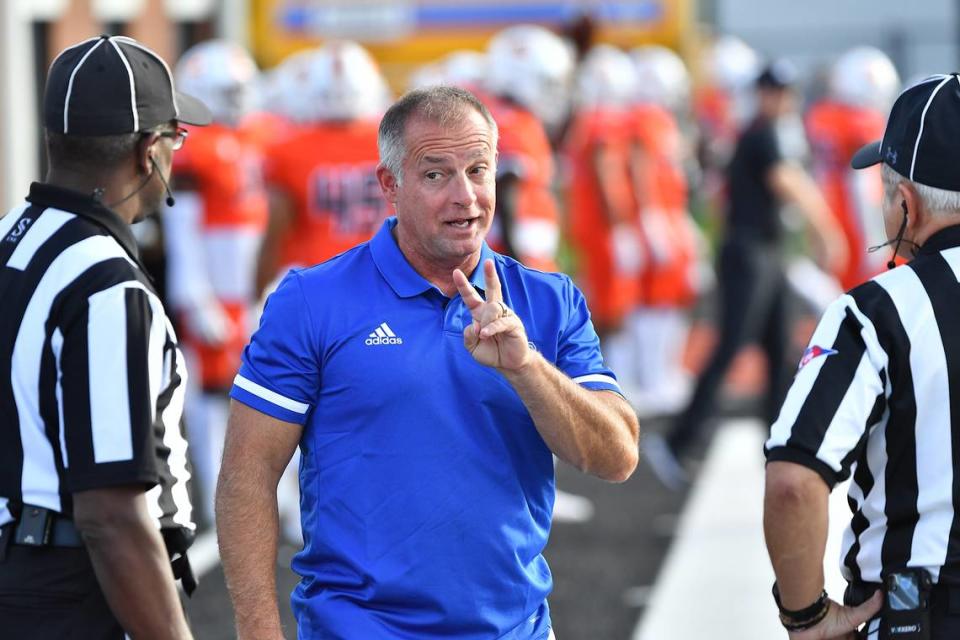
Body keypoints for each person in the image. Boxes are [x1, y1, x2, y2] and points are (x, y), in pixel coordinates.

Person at [216, 86, 639, 639]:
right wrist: (258, 632)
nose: (465, 196)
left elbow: (617, 457)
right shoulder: (311, 301)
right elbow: (247, 473)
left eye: (479, 170)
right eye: (436, 174)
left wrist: (526, 368)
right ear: (390, 185)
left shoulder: (548, 300)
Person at [0, 35, 211, 638]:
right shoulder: (103, 284)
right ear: (149, 151)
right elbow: (111, 515)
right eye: (176, 137)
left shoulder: (10, 240)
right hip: (69, 592)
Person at [763, 73, 960, 640]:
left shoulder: (877, 311)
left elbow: (793, 483)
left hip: (921, 614)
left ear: (906, 202)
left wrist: (807, 617)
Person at [645, 60, 846, 490]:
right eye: (775, 91)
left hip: (765, 251)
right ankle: (679, 441)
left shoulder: (761, 133)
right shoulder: (762, 133)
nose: (782, 99)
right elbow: (788, 182)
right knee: (733, 345)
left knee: (777, 352)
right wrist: (826, 229)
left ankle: (780, 448)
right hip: (751, 251)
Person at [165, 39, 269, 526]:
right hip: (214, 296)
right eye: (231, 89)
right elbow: (180, 233)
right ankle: (212, 503)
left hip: (249, 293)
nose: (241, 98)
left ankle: (265, 501)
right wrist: (196, 295)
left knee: (268, 397)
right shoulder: (193, 147)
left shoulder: (252, 136)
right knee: (212, 403)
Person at [805, 47, 901, 290]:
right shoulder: (862, 122)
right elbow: (862, 184)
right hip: (856, 225)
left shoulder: (822, 115)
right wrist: (874, 242)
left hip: (830, 213)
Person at [480, 24, 574, 271]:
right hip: (518, 250)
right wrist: (518, 269)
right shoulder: (515, 124)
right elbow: (506, 193)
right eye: (548, 84)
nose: (554, 94)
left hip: (506, 249)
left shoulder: (499, 115)